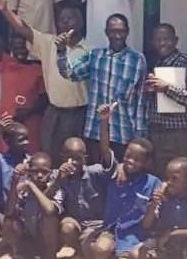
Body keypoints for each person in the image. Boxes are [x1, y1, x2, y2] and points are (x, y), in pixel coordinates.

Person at [0, 0, 88, 167]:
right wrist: (5, 10)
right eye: (61, 19)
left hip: (78, 113)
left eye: (69, 18)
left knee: (76, 156)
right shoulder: (48, 43)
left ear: (80, 23)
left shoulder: (90, 50)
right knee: (49, 154)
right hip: (54, 111)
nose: (64, 22)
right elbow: (23, 29)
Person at [57, 13, 147, 162]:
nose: (117, 36)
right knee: (96, 177)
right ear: (106, 32)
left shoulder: (137, 59)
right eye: (113, 31)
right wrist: (61, 51)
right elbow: (70, 73)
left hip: (123, 132)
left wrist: (140, 134)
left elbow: (141, 99)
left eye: (121, 31)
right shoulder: (95, 56)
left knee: (120, 178)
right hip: (95, 131)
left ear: (127, 32)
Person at [95, 105, 162, 259]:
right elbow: (105, 149)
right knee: (99, 250)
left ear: (147, 162)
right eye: (128, 156)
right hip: (111, 230)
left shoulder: (153, 183)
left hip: (134, 235)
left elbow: (151, 219)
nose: (130, 161)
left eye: (137, 159)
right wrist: (104, 122)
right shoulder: (116, 172)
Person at [145, 23, 187, 178]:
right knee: (159, 175)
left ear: (176, 40)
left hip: (179, 135)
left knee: (181, 177)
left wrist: (167, 88)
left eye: (166, 39)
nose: (162, 43)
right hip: (156, 132)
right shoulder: (153, 63)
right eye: (157, 40)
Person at [0, 7, 46, 153]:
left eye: (23, 47)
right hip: (7, 121)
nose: (20, 51)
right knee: (3, 156)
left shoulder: (37, 68)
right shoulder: (6, 63)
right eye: (16, 47)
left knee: (30, 156)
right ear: (11, 47)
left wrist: (28, 112)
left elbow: (44, 100)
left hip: (30, 121)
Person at [49, 137, 108, 259]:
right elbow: (46, 198)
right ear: (62, 157)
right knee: (66, 228)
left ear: (85, 159)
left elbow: (113, 170)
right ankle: (81, 253)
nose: (72, 162)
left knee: (98, 247)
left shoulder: (96, 172)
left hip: (97, 225)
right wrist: (58, 180)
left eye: (77, 158)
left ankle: (92, 257)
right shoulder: (57, 175)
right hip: (76, 223)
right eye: (68, 157)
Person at [0, 152, 61, 259]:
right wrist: (14, 182)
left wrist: (31, 186)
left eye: (44, 172)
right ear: (28, 172)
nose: (39, 175)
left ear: (50, 172)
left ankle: (51, 258)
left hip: (49, 241)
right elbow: (9, 212)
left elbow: (49, 210)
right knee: (7, 221)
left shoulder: (56, 188)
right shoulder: (22, 187)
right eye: (35, 171)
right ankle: (22, 255)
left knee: (50, 219)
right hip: (29, 238)